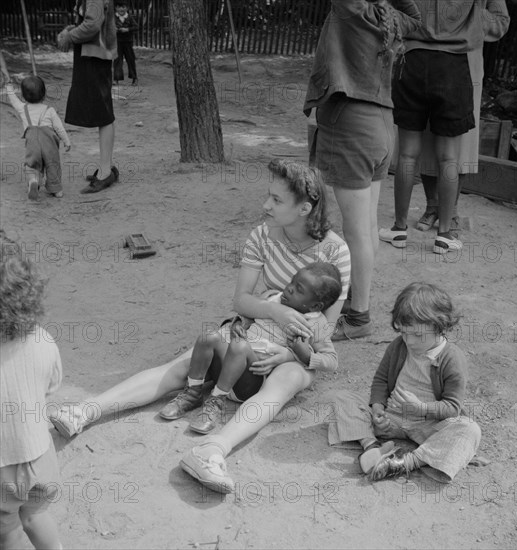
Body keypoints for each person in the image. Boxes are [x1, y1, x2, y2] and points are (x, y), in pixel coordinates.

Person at [48, 160, 351, 470]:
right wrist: (275, 309)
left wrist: (287, 354)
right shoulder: (262, 235)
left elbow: (324, 327)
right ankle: (87, 410)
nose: (265, 205)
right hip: (256, 328)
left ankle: (213, 450)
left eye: (277, 200)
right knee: (181, 364)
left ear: (304, 209)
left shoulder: (335, 251)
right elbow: (241, 300)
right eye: (268, 195)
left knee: (283, 382)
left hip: (296, 350)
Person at [303, 0, 422, 341]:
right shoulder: (393, 18)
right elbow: (416, 15)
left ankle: (359, 318)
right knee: (367, 226)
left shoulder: (353, 10)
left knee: (356, 232)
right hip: (383, 123)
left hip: (352, 123)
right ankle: (356, 299)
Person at [379, 0, 505, 253]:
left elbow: (388, 12)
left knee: (407, 153)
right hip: (455, 64)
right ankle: (445, 235)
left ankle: (399, 229)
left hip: (412, 61)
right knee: (449, 156)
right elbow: (500, 22)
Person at [328, 282, 481, 483]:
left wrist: (421, 408)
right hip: (393, 418)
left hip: (428, 426)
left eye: (417, 335)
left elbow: (452, 407)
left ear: (439, 327)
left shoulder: (452, 358)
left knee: (469, 429)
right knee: (343, 398)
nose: (409, 341)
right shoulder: (399, 346)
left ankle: (405, 463)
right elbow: (381, 379)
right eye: (403, 332)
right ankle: (373, 448)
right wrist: (377, 408)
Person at [171, 261, 341, 436]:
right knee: (208, 336)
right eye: (292, 282)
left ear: (315, 306)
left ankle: (216, 403)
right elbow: (249, 315)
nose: (289, 289)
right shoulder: (272, 298)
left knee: (239, 346)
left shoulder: (315, 323)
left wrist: (304, 354)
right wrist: (239, 323)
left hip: (250, 381)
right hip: (227, 369)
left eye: (299, 289)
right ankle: (193, 393)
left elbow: (332, 361)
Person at [0, 233, 64, 549]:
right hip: (41, 457)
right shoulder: (41, 339)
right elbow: (52, 385)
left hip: (2, 469)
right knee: (35, 515)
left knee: (7, 528)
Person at [57, 0, 119, 194]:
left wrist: (69, 36)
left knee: (103, 113)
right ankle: (105, 167)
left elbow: (92, 25)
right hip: (93, 55)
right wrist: (72, 30)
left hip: (95, 57)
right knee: (102, 112)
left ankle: (106, 172)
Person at [1, 74, 71, 200]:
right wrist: (66, 141)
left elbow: (12, 98)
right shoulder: (50, 110)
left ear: (23, 96)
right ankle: (56, 190)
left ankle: (33, 180)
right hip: (49, 144)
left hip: (32, 142)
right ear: (44, 95)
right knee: (52, 164)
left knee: (31, 165)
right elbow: (59, 128)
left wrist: (9, 86)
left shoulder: (23, 108)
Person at [113, 1, 139, 86]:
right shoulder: (113, 18)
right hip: (118, 42)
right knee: (117, 60)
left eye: (123, 7)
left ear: (127, 8)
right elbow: (108, 27)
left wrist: (127, 29)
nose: (121, 9)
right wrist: (114, 29)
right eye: (119, 7)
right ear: (116, 8)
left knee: (130, 60)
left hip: (128, 42)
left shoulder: (129, 17)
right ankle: (116, 79)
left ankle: (134, 78)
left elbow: (136, 27)